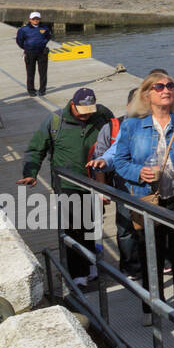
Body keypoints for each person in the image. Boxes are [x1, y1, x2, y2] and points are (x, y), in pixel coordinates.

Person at [103, 70, 174, 325]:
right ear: (147, 94)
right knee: (152, 254)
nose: (166, 90)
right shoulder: (131, 125)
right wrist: (139, 172)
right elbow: (120, 162)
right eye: (159, 86)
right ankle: (152, 309)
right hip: (147, 199)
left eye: (170, 85)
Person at [20, 87, 114, 285]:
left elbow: (115, 137)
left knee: (91, 225)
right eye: (83, 110)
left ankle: (92, 265)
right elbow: (36, 148)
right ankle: (77, 274)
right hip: (66, 183)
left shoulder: (102, 115)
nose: (86, 115)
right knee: (72, 227)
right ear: (73, 105)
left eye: (90, 110)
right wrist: (30, 173)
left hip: (93, 181)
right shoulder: (55, 121)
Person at [91, 89, 141, 282]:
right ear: (128, 106)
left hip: (149, 185)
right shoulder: (113, 127)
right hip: (123, 184)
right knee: (125, 227)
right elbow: (102, 158)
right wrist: (102, 189)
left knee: (153, 226)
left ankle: (160, 262)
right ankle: (131, 267)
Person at [15, 11, 53, 96]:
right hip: (30, 53)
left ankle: (42, 90)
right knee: (30, 73)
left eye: (37, 19)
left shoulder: (45, 28)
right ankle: (31, 90)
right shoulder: (23, 29)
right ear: (30, 19)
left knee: (43, 72)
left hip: (42, 53)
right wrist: (26, 47)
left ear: (40, 19)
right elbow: (19, 40)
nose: (35, 20)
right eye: (33, 19)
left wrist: (43, 43)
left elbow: (48, 37)